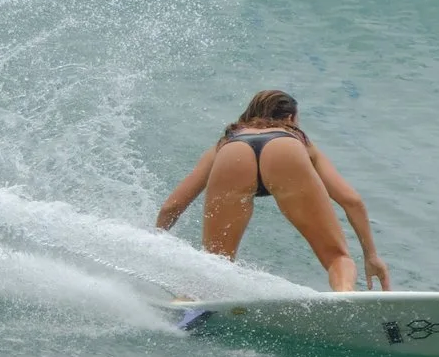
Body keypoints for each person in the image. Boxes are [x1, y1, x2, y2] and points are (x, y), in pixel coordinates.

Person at [155, 89, 391, 292]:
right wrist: (371, 256)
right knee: (338, 257)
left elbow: (172, 206)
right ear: (290, 118)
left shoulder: (224, 142)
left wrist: (152, 244)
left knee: (216, 263)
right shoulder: (295, 137)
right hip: (284, 150)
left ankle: (192, 302)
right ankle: (344, 295)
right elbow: (351, 200)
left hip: (234, 155)